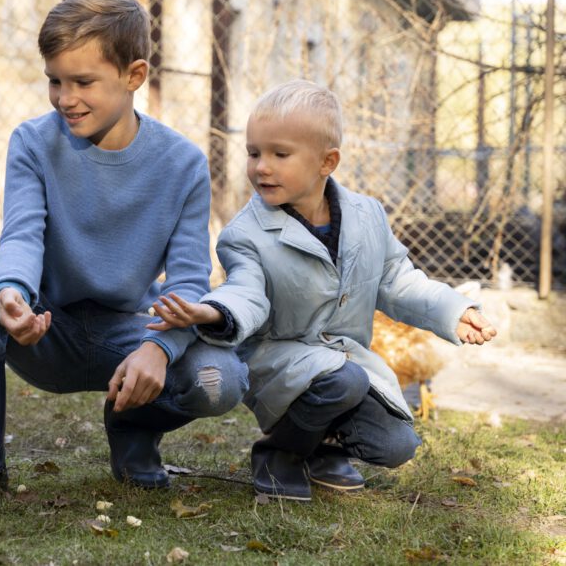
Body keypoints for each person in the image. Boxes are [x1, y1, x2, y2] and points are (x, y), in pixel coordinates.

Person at [0, 0, 249, 508]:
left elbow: (188, 282)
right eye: (54, 81)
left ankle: (133, 427)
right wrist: (13, 293)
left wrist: (158, 348)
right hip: (44, 330)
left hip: (128, 333)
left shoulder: (183, 164)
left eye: (83, 82)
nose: (64, 98)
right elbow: (22, 234)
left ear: (133, 76)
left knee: (220, 379)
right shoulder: (33, 143)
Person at [148, 79, 497, 501]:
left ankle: (320, 449)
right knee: (342, 380)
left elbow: (398, 280)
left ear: (326, 161)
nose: (262, 166)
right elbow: (246, 291)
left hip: (344, 363)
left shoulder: (367, 216)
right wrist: (212, 312)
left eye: (280, 154)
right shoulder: (246, 234)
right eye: (254, 153)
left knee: (396, 445)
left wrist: (452, 310)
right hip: (277, 358)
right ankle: (278, 453)